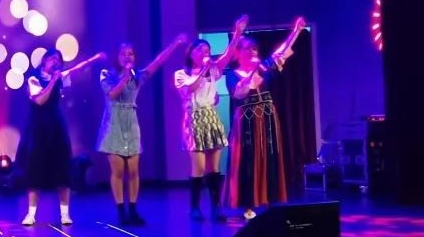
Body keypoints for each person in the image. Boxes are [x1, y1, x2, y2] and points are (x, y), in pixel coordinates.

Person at [97, 34, 187, 225]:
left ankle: (133, 209)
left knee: (133, 170)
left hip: (131, 123)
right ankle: (121, 210)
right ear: (117, 57)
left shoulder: (138, 76)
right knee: (118, 171)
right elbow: (112, 94)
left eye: (130, 53)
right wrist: (125, 76)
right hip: (113, 124)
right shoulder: (107, 74)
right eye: (123, 54)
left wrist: (175, 44)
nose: (127, 56)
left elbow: (158, 62)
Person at [225, 16, 306, 219]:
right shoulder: (233, 75)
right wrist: (254, 70)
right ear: (238, 53)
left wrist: (296, 31)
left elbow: (282, 52)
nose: (253, 52)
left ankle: (269, 200)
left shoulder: (263, 68)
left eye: (255, 49)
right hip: (246, 122)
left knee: (269, 156)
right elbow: (240, 94)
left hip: (267, 119)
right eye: (248, 49)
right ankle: (247, 204)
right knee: (248, 160)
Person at [15, 50, 104, 226]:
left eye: (58, 59)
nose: (56, 62)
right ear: (44, 61)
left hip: (56, 125)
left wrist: (94, 58)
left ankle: (65, 214)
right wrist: (53, 81)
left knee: (62, 168)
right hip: (37, 127)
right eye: (52, 58)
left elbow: (77, 69)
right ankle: (31, 214)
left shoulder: (59, 76)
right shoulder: (33, 78)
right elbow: (40, 100)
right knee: (34, 170)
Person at [173, 16, 248, 222]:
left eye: (207, 51)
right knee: (198, 166)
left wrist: (237, 33)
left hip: (211, 117)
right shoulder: (181, 74)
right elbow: (189, 90)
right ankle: (195, 207)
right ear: (191, 53)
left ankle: (216, 206)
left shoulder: (214, 70)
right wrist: (204, 70)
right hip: (193, 118)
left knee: (214, 167)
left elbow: (227, 55)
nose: (204, 53)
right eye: (200, 50)